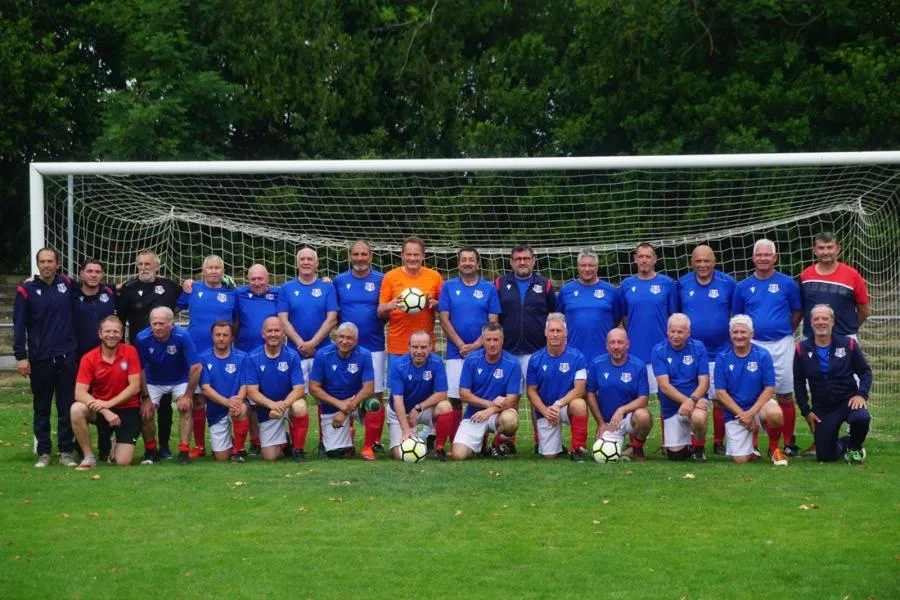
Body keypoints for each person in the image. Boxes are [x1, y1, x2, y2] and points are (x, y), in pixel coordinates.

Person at [732, 239, 802, 457]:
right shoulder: (742, 286)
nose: (763, 259)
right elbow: (738, 317)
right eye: (759, 255)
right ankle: (751, 444)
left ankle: (788, 442)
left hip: (782, 345)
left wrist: (782, 329)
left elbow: (797, 312)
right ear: (753, 258)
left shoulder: (788, 283)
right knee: (751, 395)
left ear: (775, 257)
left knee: (785, 394)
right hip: (753, 346)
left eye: (767, 255)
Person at [13, 248, 79, 468]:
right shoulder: (25, 289)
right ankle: (44, 452)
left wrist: (114, 288)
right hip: (40, 359)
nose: (46, 265)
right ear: (37, 264)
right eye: (42, 261)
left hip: (67, 357)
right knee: (41, 408)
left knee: (66, 406)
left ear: (58, 264)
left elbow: (91, 287)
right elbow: (19, 325)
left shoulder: (67, 283)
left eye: (50, 261)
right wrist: (21, 356)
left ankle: (65, 451)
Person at [116, 249, 182, 459]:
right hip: (139, 354)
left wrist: (190, 284)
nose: (144, 268)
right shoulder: (129, 289)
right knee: (140, 402)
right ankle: (145, 446)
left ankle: (164, 446)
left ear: (157, 266)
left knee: (165, 404)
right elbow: (120, 319)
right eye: (140, 264)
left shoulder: (171, 287)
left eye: (148, 264)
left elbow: (189, 296)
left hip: (166, 353)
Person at [494, 243, 556, 453]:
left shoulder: (544, 284)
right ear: (511, 262)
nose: (522, 262)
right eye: (518, 259)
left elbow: (553, 316)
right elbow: (494, 316)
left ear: (533, 260)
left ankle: (542, 442)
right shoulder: (500, 283)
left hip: (537, 352)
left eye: (526, 258)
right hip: (508, 352)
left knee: (537, 397)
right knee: (510, 398)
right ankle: (506, 442)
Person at [793, 305, 872, 464]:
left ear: (832, 322)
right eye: (816, 319)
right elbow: (799, 383)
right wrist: (807, 412)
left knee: (862, 417)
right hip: (823, 407)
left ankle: (855, 447)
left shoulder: (848, 344)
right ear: (811, 323)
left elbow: (865, 372)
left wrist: (861, 395)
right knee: (825, 456)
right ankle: (845, 443)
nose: (821, 322)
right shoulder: (801, 348)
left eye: (825, 318)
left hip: (848, 401)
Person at [438, 247, 500, 449]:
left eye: (471, 260)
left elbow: (493, 321)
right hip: (456, 353)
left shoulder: (489, 288)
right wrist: (460, 345)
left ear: (477, 263)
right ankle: (456, 440)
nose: (467, 263)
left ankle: (481, 441)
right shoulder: (448, 286)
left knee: (481, 397)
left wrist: (475, 346)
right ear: (458, 263)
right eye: (463, 259)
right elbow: (444, 319)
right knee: (455, 398)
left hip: (483, 352)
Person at [278, 247, 339, 453]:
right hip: (294, 353)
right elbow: (283, 319)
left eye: (309, 259)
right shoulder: (286, 288)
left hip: (323, 352)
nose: (305, 262)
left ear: (316, 264)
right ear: (297, 264)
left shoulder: (327, 287)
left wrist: (313, 343)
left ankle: (326, 442)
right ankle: (297, 445)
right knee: (297, 400)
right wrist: (300, 343)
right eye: (302, 259)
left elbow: (332, 318)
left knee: (325, 397)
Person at [177, 254, 237, 458]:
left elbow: (236, 321)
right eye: (209, 268)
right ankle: (200, 446)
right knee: (198, 400)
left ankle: (235, 443)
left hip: (223, 354)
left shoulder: (231, 294)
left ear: (223, 271)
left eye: (217, 268)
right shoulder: (192, 289)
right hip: (196, 354)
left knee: (226, 396)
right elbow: (174, 307)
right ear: (203, 270)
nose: (213, 271)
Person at [678, 245, 735, 456]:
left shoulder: (728, 283)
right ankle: (690, 442)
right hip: (691, 353)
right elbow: (677, 316)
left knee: (720, 398)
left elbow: (736, 315)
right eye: (698, 261)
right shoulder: (682, 284)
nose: (702, 265)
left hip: (721, 351)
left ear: (715, 261)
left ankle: (719, 441)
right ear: (692, 262)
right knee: (693, 397)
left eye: (707, 261)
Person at [334, 240, 387, 452]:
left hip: (374, 346)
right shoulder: (339, 281)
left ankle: (373, 441)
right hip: (347, 349)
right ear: (350, 256)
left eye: (363, 254)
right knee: (348, 389)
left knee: (376, 394)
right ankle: (348, 436)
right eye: (356, 254)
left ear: (370, 256)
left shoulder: (381, 280)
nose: (360, 259)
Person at [714, 315, 787, 465]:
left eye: (743, 332)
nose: (739, 336)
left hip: (758, 408)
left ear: (751, 334)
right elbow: (720, 393)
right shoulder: (722, 357)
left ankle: (774, 448)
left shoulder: (763, 355)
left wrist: (752, 413)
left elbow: (769, 387)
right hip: (736, 413)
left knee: (776, 414)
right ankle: (751, 449)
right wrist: (743, 415)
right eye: (735, 332)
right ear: (730, 334)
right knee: (741, 461)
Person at [71, 316, 141, 469]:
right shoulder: (89, 358)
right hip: (100, 410)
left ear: (122, 334)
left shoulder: (130, 352)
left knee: (123, 462)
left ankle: (116, 444)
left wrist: (109, 404)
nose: (112, 335)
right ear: (100, 334)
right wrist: (105, 410)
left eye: (116, 331)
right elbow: (79, 393)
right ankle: (88, 457)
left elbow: (135, 387)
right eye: (107, 331)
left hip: (127, 408)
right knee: (76, 409)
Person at [134, 307, 201, 465]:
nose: (157, 327)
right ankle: (151, 450)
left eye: (161, 324)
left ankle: (184, 451)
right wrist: (145, 397)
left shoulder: (183, 336)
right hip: (153, 380)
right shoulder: (141, 338)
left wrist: (188, 396)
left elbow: (196, 367)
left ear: (172, 324)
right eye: (154, 323)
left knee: (185, 407)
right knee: (146, 412)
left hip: (180, 379)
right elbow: (140, 369)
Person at [451, 322, 521, 461]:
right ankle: (482, 445)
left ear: (502, 340)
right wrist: (488, 404)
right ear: (482, 341)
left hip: (498, 415)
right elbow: (464, 394)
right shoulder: (471, 360)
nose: (492, 344)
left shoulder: (513, 363)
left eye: (496, 339)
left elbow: (513, 399)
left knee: (511, 420)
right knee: (458, 455)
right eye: (488, 340)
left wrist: (489, 411)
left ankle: (498, 444)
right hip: (475, 415)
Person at [309, 322, 378, 459]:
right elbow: (313, 388)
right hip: (332, 406)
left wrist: (345, 410)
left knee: (374, 405)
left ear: (356, 341)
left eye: (349, 338)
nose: (344, 341)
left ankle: (368, 447)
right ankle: (348, 438)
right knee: (335, 454)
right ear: (335, 337)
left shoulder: (364, 355)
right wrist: (340, 405)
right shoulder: (322, 354)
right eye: (341, 337)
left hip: (356, 403)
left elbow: (369, 388)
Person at [243, 317, 308, 462]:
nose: (273, 334)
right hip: (268, 410)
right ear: (263, 334)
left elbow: (299, 389)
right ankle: (284, 441)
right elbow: (252, 391)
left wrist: (282, 405)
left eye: (277, 330)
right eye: (270, 331)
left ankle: (298, 450)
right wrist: (272, 405)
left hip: (287, 405)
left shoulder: (292, 355)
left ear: (283, 333)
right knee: (270, 457)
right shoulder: (252, 357)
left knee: (300, 406)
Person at [526, 313, 590, 462]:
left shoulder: (578, 357)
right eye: (552, 331)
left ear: (565, 333)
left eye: (558, 331)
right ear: (545, 332)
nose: (555, 335)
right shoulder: (535, 359)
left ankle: (578, 449)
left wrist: (558, 404)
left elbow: (580, 389)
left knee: (579, 404)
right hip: (547, 410)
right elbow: (531, 390)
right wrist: (545, 410)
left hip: (565, 406)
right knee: (549, 456)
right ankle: (557, 447)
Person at [233, 264, 280, 455]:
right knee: (251, 400)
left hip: (272, 355)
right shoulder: (238, 294)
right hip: (246, 355)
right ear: (247, 279)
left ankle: (280, 438)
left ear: (268, 278)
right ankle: (254, 441)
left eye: (260, 279)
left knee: (273, 395)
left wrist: (327, 281)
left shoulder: (279, 293)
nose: (257, 283)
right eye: (253, 279)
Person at [585, 328, 653, 462]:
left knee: (644, 416)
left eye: (620, 342)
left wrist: (622, 410)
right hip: (609, 423)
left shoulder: (638, 366)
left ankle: (637, 447)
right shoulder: (596, 364)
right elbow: (590, 393)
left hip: (630, 418)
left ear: (628, 344)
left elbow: (643, 399)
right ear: (607, 345)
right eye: (612, 342)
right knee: (602, 457)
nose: (616, 347)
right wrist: (600, 423)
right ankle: (618, 442)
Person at [620, 243, 679, 395]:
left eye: (648, 256)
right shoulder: (626, 285)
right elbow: (624, 315)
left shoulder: (667, 283)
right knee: (636, 397)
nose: (644, 260)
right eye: (641, 256)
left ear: (655, 259)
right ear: (635, 259)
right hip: (635, 351)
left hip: (662, 350)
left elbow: (673, 317)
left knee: (666, 396)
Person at [651, 314, 710, 462]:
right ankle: (686, 442)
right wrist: (687, 401)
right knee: (676, 457)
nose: (675, 335)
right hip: (672, 408)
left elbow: (704, 382)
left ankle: (698, 447)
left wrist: (693, 400)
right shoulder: (658, 350)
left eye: (680, 332)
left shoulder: (698, 347)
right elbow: (664, 386)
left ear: (688, 333)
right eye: (672, 331)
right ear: (667, 331)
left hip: (696, 402)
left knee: (698, 418)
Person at [388, 330, 453, 461]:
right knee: (398, 455)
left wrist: (418, 408)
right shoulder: (397, 365)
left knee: (445, 406)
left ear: (430, 347)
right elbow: (397, 400)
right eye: (415, 347)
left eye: (423, 347)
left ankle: (438, 447)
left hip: (424, 408)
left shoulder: (437, 362)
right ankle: (417, 437)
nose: (419, 351)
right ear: (409, 347)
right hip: (399, 411)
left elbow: (441, 393)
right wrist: (406, 429)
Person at [556, 249, 623, 363]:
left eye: (591, 265)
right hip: (573, 356)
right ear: (578, 266)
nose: (587, 269)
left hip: (604, 356)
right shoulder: (565, 291)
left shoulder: (611, 291)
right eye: (583, 265)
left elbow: (616, 319)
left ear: (597, 266)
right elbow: (558, 319)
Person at [799, 232, 870, 340]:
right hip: (811, 339)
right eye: (821, 248)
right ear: (814, 250)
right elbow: (800, 308)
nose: (826, 252)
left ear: (838, 249)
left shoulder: (853, 275)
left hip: (844, 339)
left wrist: (848, 330)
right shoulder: (805, 275)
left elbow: (864, 311)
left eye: (830, 247)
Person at [199, 321, 251, 462]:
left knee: (241, 409)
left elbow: (245, 385)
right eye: (218, 335)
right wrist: (228, 402)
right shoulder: (203, 358)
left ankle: (238, 451)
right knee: (221, 458)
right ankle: (231, 443)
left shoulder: (243, 357)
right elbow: (205, 388)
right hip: (216, 410)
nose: (221, 338)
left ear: (231, 338)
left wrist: (237, 401)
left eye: (225, 335)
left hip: (236, 404)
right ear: (212, 336)